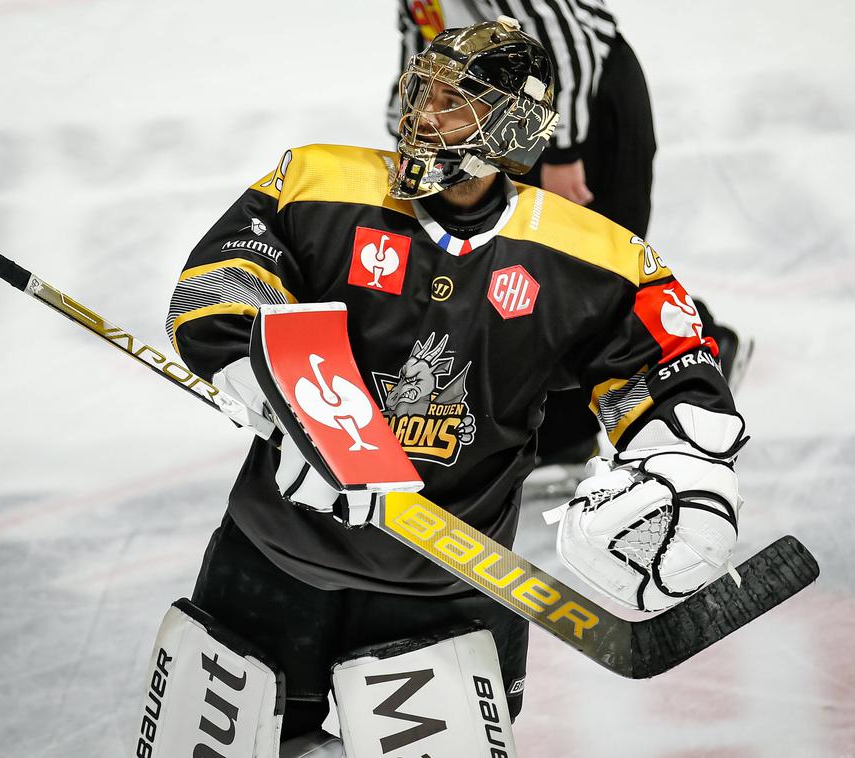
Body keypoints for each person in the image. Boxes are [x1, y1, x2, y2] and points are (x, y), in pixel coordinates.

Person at [162, 17, 746, 751]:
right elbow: (221, 282)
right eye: (423, 91)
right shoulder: (319, 182)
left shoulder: (587, 255)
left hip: (449, 588)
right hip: (274, 560)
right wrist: (289, 399)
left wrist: (679, 466)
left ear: (511, 127)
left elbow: (665, 365)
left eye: (453, 100)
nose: (423, 115)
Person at [389, 0, 751, 467]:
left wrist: (564, 150)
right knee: (510, 262)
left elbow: (567, 39)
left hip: (580, 107)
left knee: (588, 266)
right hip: (490, 113)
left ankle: (692, 359)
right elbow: (422, 40)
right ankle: (564, 436)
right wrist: (412, 138)